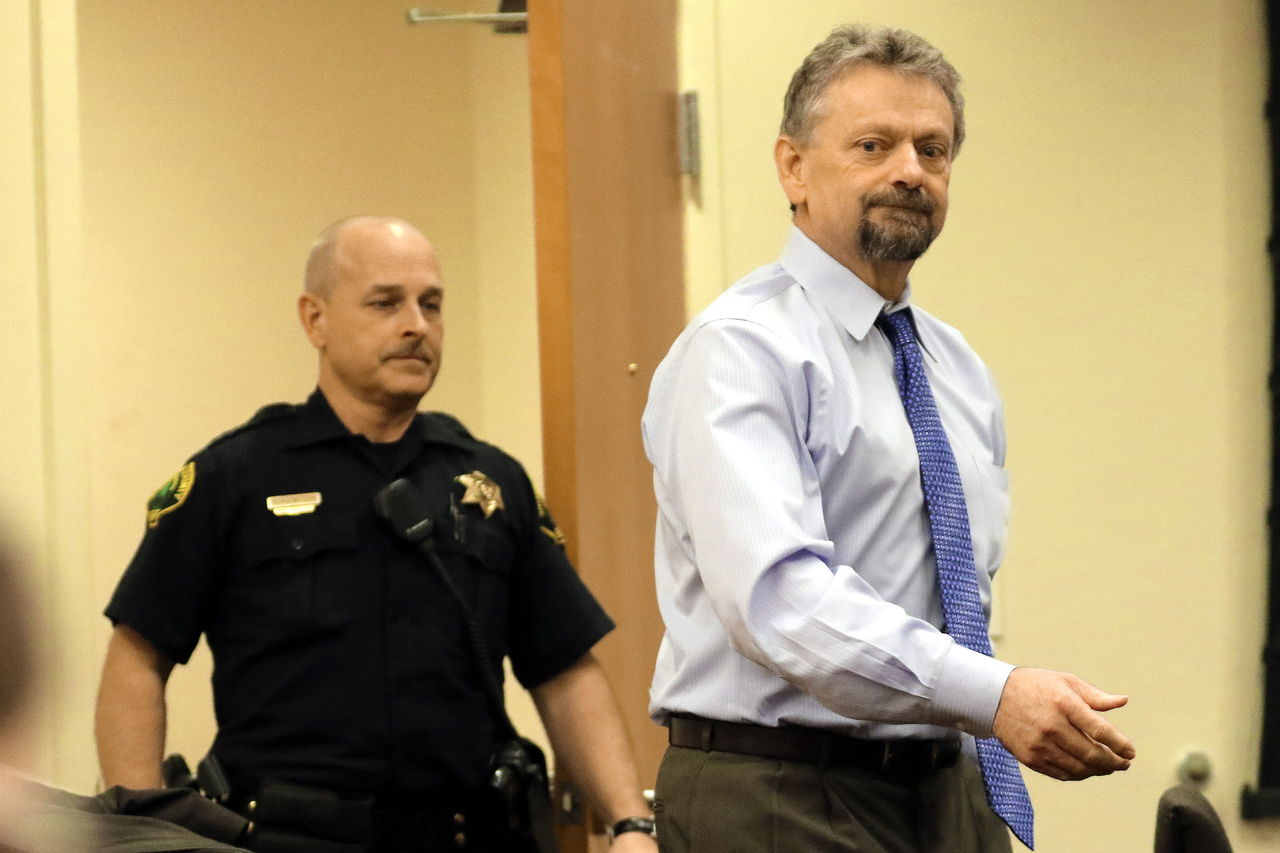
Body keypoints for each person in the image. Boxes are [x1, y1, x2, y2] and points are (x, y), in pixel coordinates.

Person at [642, 24, 1136, 853]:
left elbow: (959, 587)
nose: (910, 170)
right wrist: (996, 693)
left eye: (933, 150)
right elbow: (782, 603)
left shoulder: (956, 365)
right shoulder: (742, 348)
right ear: (792, 167)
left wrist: (988, 707)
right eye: (874, 144)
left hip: (948, 783)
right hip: (780, 789)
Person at [95, 216, 658, 853]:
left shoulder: (490, 484)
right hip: (284, 838)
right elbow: (137, 659)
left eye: (432, 304)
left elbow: (564, 670)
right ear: (315, 320)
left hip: (468, 835)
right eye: (386, 303)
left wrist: (628, 822)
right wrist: (141, 829)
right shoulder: (235, 478)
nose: (416, 324)